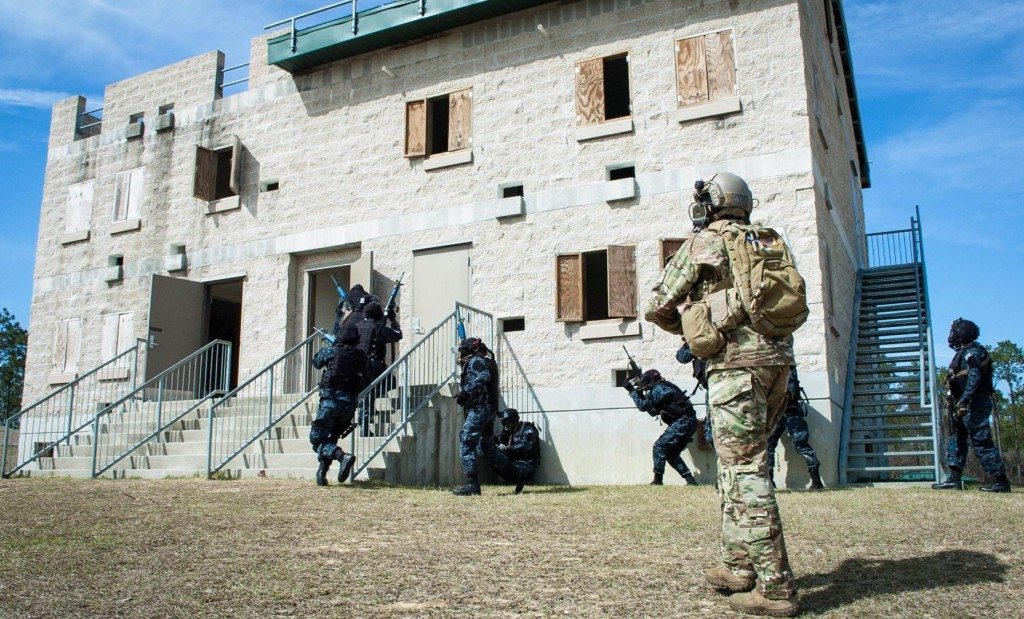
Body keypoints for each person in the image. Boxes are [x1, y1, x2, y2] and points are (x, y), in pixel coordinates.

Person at [645, 172, 801, 617]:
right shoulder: (768, 241)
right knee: (740, 465)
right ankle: (738, 566)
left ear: (709, 204)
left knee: (746, 469)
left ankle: (776, 588)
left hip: (734, 369)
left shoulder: (703, 243)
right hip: (778, 366)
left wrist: (696, 328)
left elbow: (656, 304)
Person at [932, 318, 1011, 493]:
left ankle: (1000, 481)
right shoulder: (964, 352)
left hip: (974, 404)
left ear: (961, 334)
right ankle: (954, 479)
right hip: (962, 404)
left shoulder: (972, 352)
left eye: (954, 332)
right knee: (956, 440)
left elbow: (975, 376)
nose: (951, 336)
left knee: (981, 441)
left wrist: (965, 401)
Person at [309, 329, 365, 486]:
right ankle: (321, 475)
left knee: (317, 439)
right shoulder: (361, 357)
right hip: (349, 405)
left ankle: (341, 457)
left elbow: (316, 362)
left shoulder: (333, 351)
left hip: (330, 402)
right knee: (331, 439)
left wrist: (330, 346)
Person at [625, 369, 699, 486]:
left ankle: (657, 480)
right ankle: (690, 481)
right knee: (671, 454)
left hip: (683, 422)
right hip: (687, 422)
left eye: (644, 381)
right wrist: (641, 395)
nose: (643, 384)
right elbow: (653, 412)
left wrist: (632, 392)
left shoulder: (659, 389)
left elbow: (643, 407)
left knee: (659, 446)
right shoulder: (663, 388)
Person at [452, 337, 500, 496]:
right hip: (488, 408)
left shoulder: (475, 362)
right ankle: (515, 473)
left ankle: (472, 484)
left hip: (481, 408)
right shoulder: (485, 360)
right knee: (485, 448)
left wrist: (465, 391)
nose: (460, 355)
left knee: (466, 439)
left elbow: (483, 376)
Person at [348, 300, 403, 435]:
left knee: (366, 392)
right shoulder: (378, 326)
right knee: (391, 383)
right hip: (373, 364)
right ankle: (365, 424)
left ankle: (365, 420)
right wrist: (393, 319)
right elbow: (397, 334)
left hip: (357, 365)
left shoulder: (358, 326)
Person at [766, 368, 824, 490]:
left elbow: (790, 391)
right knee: (768, 445)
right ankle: (770, 481)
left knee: (801, 445)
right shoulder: (783, 368)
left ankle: (816, 481)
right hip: (779, 413)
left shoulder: (786, 369)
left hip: (789, 412)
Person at [482, 408, 541, 494]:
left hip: (526, 463)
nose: (505, 425)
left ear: (514, 421)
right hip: (513, 462)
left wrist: (508, 448)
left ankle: (524, 479)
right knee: (491, 456)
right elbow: (498, 441)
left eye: (507, 423)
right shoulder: (507, 431)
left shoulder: (527, 429)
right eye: (504, 423)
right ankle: (512, 480)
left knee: (518, 469)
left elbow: (527, 446)